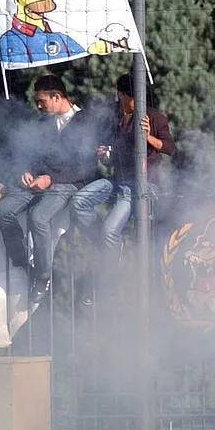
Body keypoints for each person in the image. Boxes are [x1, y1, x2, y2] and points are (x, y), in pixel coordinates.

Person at [0, 75, 103, 303]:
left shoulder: (86, 122)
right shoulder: (44, 122)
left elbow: (87, 167)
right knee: (3, 211)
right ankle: (23, 265)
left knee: (38, 216)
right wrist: (25, 171)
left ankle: (43, 277)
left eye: (41, 100)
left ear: (57, 96)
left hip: (69, 183)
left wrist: (50, 179)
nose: (38, 105)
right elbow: (31, 154)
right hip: (41, 182)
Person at [69, 74, 176, 299]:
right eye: (131, 98)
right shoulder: (115, 117)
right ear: (122, 96)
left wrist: (148, 138)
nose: (135, 103)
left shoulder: (154, 117)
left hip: (142, 183)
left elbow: (169, 148)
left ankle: (110, 272)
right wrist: (105, 155)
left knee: (111, 229)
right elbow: (111, 154)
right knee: (79, 201)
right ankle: (107, 243)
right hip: (118, 178)